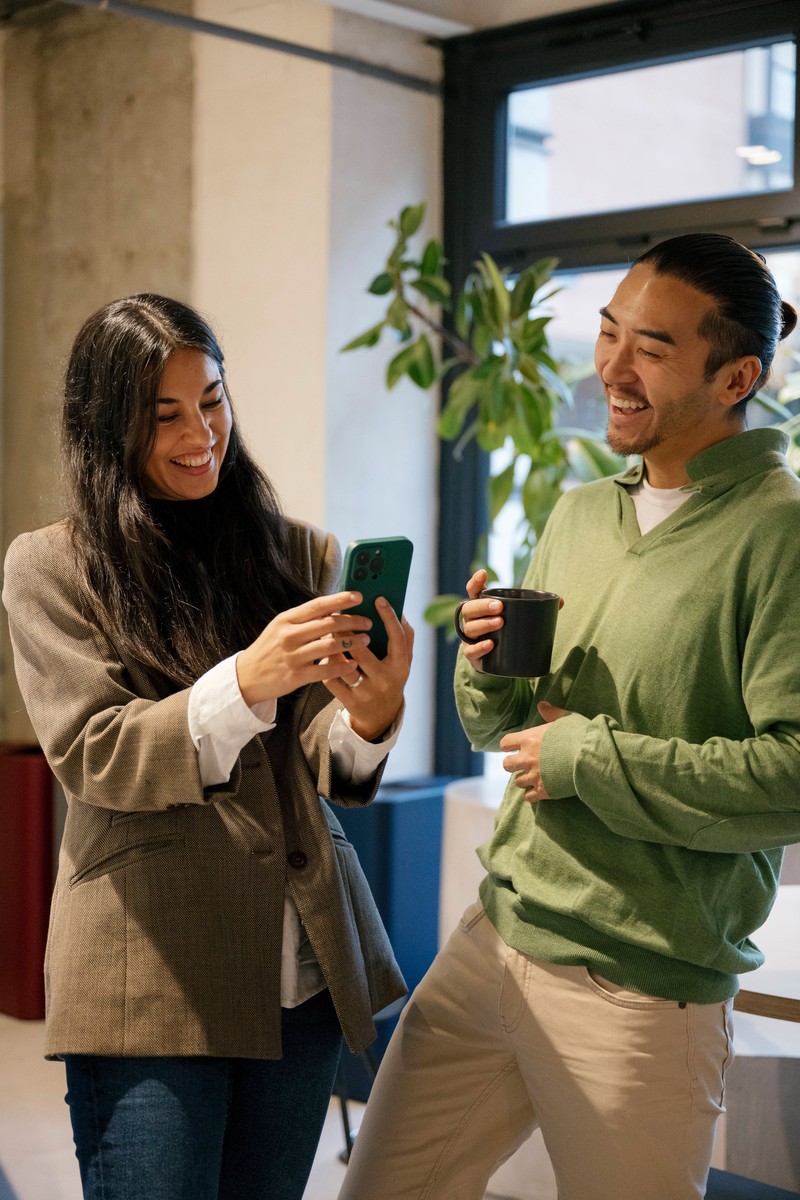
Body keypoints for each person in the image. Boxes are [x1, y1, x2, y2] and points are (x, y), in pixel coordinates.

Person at [336, 234, 800, 1200]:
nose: (612, 370)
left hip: (643, 990)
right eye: (608, 332)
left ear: (737, 377)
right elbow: (500, 732)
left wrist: (585, 755)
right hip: (496, 938)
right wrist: (484, 668)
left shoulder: (779, 531)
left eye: (653, 349)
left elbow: (790, 780)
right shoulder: (582, 511)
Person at [2, 293, 414, 1200]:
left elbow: (323, 761)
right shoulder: (50, 567)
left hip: (299, 969)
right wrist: (247, 680)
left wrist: (372, 716)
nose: (202, 434)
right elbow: (96, 753)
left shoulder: (297, 551)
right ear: (106, 426)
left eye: (213, 400)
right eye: (166, 415)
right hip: (149, 974)